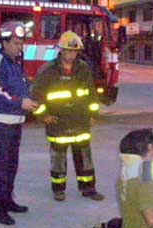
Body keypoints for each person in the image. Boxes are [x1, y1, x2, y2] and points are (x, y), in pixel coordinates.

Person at [31, 31, 104, 202]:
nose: (72, 54)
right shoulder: (48, 70)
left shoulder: (83, 69)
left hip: (80, 121)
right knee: (58, 158)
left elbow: (91, 94)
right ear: (61, 50)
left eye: (75, 51)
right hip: (58, 122)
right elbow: (36, 95)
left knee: (85, 157)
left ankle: (88, 188)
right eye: (69, 51)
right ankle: (58, 189)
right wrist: (43, 115)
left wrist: (93, 113)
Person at [0, 21, 39, 225]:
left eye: (20, 43)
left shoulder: (14, 62)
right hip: (0, 125)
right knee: (0, 166)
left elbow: (22, 87)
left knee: (11, 164)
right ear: (4, 42)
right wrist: (20, 102)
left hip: (15, 123)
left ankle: (8, 200)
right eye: (15, 43)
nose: (19, 47)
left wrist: (31, 98)